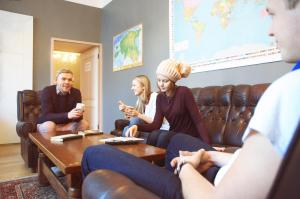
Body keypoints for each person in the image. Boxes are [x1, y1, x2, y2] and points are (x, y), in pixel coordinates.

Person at [82, 0, 300, 198]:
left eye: (272, 15)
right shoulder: (290, 85)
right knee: (173, 140)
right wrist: (210, 155)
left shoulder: (288, 89)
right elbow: (258, 164)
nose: (270, 31)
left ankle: (172, 172)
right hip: (218, 169)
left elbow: (197, 122)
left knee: (93, 153)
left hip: (200, 189)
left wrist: (188, 166)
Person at [125, 59, 210, 148]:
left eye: (165, 81)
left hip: (189, 136)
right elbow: (156, 125)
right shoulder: (160, 98)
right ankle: (150, 161)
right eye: (159, 80)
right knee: (154, 134)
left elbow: (198, 121)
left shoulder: (184, 92)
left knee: (163, 137)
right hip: (174, 134)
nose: (161, 84)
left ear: (173, 81)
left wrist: (208, 147)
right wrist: (136, 126)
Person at [37, 69, 89, 139]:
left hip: (67, 125)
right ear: (56, 81)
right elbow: (46, 116)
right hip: (48, 124)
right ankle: (51, 149)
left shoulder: (76, 92)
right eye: (63, 79)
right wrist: (67, 115)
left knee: (84, 123)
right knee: (50, 126)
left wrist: (78, 114)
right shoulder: (47, 91)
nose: (67, 82)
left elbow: (77, 119)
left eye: (70, 80)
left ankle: (76, 147)